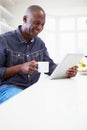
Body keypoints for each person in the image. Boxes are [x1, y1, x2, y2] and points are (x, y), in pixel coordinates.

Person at [0, 5, 78, 104]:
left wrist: (66, 71)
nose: (40, 28)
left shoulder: (39, 43)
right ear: (25, 19)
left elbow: (49, 66)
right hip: (7, 88)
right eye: (37, 23)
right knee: (24, 103)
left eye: (43, 24)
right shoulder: (4, 40)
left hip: (32, 89)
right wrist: (20, 68)